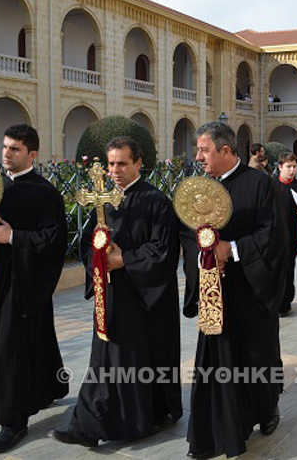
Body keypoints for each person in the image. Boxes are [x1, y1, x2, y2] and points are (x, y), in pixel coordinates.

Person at [53, 137, 182, 447]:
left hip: (144, 298)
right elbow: (88, 243)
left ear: (138, 163)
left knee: (138, 360)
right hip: (110, 294)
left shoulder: (157, 201)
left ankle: (146, 415)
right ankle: (90, 421)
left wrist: (123, 258)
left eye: (122, 163)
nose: (115, 170)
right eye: (111, 163)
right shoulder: (105, 200)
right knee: (104, 359)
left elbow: (164, 251)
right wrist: (97, 261)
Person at [181, 122, 286, 459]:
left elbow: (274, 235)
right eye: (198, 150)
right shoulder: (200, 189)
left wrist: (234, 249)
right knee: (220, 358)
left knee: (256, 354)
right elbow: (188, 235)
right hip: (215, 290)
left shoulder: (261, 185)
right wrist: (204, 254)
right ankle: (222, 423)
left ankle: (265, 409)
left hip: (251, 289)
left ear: (226, 151)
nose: (198, 156)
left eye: (204, 150)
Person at [0, 124, 68, 454]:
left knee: (9, 349)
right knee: (35, 339)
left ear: (32, 154)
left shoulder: (46, 194)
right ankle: (51, 384)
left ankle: (12, 422)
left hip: (26, 280)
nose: (6, 153)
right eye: (5, 147)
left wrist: (14, 237)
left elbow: (54, 241)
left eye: (15, 149)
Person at [274, 152, 297, 318]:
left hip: (291, 236)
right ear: (280, 167)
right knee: (272, 269)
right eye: (289, 167)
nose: (292, 170)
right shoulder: (271, 185)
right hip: (272, 236)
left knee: (288, 269)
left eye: (294, 167)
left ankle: (285, 303)